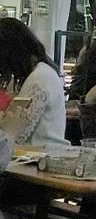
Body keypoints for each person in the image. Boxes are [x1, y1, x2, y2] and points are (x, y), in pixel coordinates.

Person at [0, 17, 69, 147]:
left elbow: (18, 133)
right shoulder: (43, 72)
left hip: (41, 153)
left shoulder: (39, 78)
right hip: (42, 151)